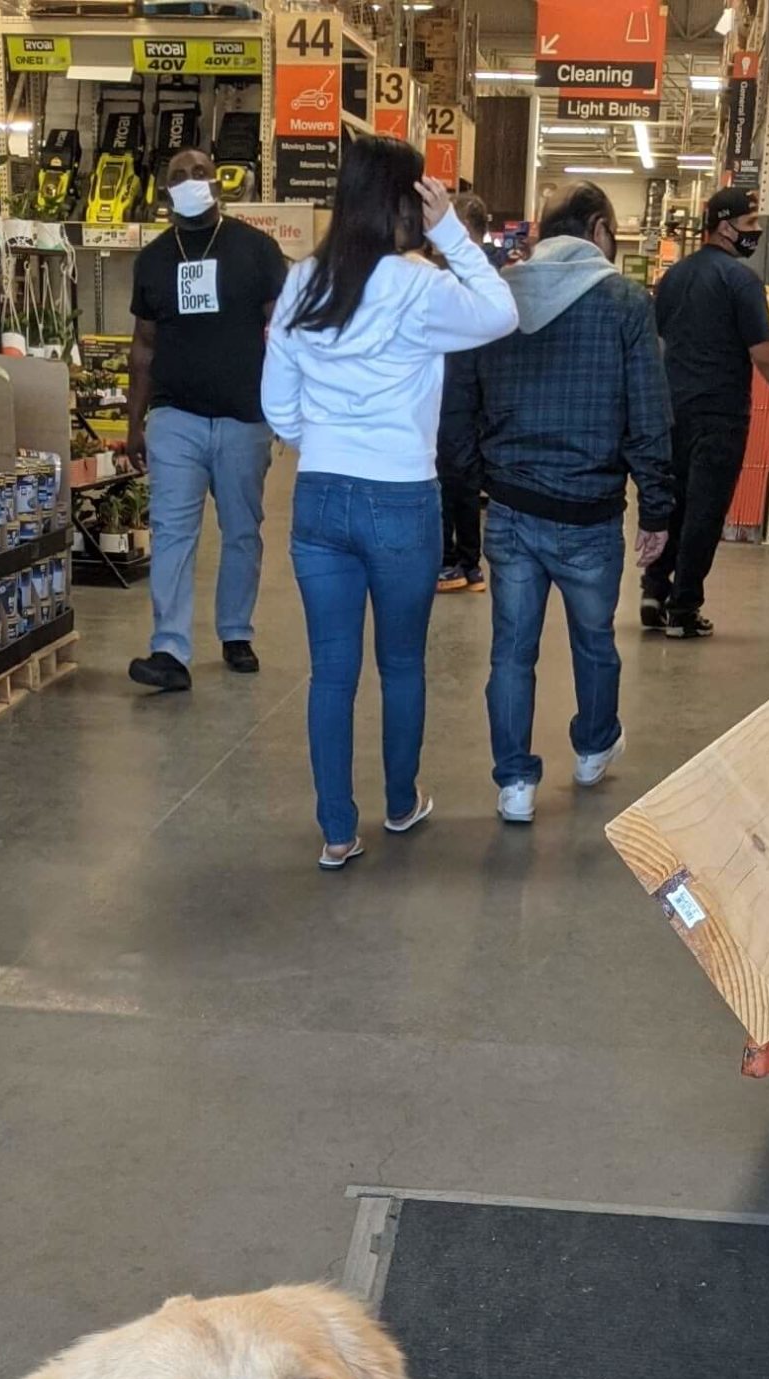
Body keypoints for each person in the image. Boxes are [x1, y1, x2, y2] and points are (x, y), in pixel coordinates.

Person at [262, 138, 516, 871]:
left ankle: (337, 831)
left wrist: (328, 443)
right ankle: (401, 802)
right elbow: (500, 313)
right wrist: (451, 235)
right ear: (407, 202)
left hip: (319, 498)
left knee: (331, 671)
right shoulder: (418, 286)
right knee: (402, 663)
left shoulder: (304, 284)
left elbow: (278, 406)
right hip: (403, 499)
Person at [440, 181, 673, 824]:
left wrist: (471, 481)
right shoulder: (625, 304)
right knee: (594, 640)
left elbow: (457, 405)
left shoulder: (498, 298)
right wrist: (657, 507)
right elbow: (648, 414)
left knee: (512, 650)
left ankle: (514, 783)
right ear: (598, 229)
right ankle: (593, 747)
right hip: (590, 511)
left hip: (510, 509)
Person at [125, 147, 288, 694]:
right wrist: (133, 421)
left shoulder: (257, 250)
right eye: (177, 175)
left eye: (199, 173)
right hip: (175, 418)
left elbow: (285, 336)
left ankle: (236, 632)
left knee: (242, 530)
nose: (190, 181)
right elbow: (143, 346)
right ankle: (169, 649)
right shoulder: (153, 260)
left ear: (218, 181)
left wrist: (289, 408)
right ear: (164, 189)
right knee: (172, 531)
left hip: (245, 419)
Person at [642, 186, 769, 640]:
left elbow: (657, 342)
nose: (754, 233)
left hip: (671, 410)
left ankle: (653, 592)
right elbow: (765, 353)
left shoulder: (672, 279)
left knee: (671, 505)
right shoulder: (741, 281)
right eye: (749, 225)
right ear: (725, 226)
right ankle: (684, 609)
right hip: (721, 414)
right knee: (705, 513)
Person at [437, 194, 491, 595]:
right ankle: (459, 560)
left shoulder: (479, 276)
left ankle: (462, 561)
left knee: (457, 480)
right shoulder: (440, 272)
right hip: (451, 390)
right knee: (454, 479)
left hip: (463, 391)